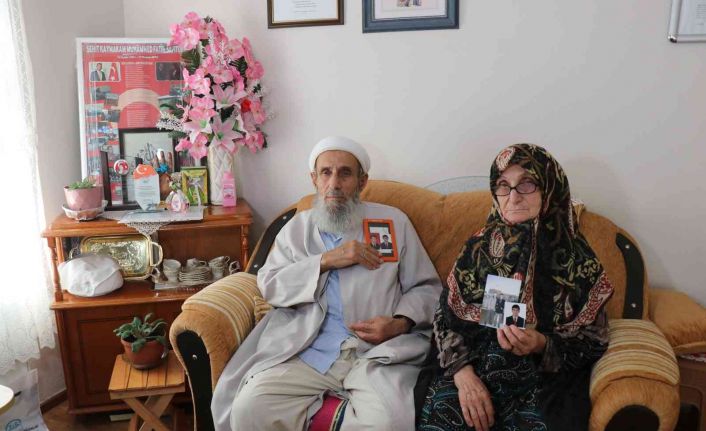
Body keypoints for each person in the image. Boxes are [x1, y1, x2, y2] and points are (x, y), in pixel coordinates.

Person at [211, 136, 442, 431]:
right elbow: (270, 285)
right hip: (307, 349)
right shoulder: (296, 229)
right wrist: (326, 260)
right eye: (326, 173)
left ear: (362, 181)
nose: (334, 183)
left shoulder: (393, 223)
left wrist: (399, 323)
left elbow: (427, 287)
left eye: (345, 173)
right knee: (250, 407)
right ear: (314, 180)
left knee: (389, 422)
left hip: (374, 352)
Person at [419, 144, 614, 431]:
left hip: (543, 378)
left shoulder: (577, 259)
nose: (513, 196)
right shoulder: (479, 248)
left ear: (550, 188)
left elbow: (593, 340)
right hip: (476, 368)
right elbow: (445, 318)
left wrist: (541, 344)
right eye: (503, 185)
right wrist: (463, 375)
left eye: (527, 183)